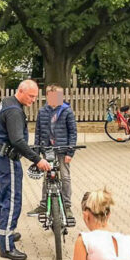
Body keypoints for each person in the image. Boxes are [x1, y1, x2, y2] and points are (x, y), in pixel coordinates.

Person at [0, 79, 51, 260]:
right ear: (21, 91)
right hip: (6, 158)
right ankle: (7, 246)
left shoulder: (8, 102)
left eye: (35, 97)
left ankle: (1, 235)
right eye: (31, 96)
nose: (33, 100)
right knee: (12, 199)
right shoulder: (15, 111)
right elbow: (17, 140)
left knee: (3, 195)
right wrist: (37, 159)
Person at [29, 84, 79, 222]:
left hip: (63, 150)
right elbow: (38, 132)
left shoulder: (67, 111)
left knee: (65, 176)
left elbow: (73, 132)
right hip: (48, 150)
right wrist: (37, 152)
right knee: (47, 177)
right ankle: (44, 204)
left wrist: (70, 152)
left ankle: (67, 206)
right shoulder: (42, 111)